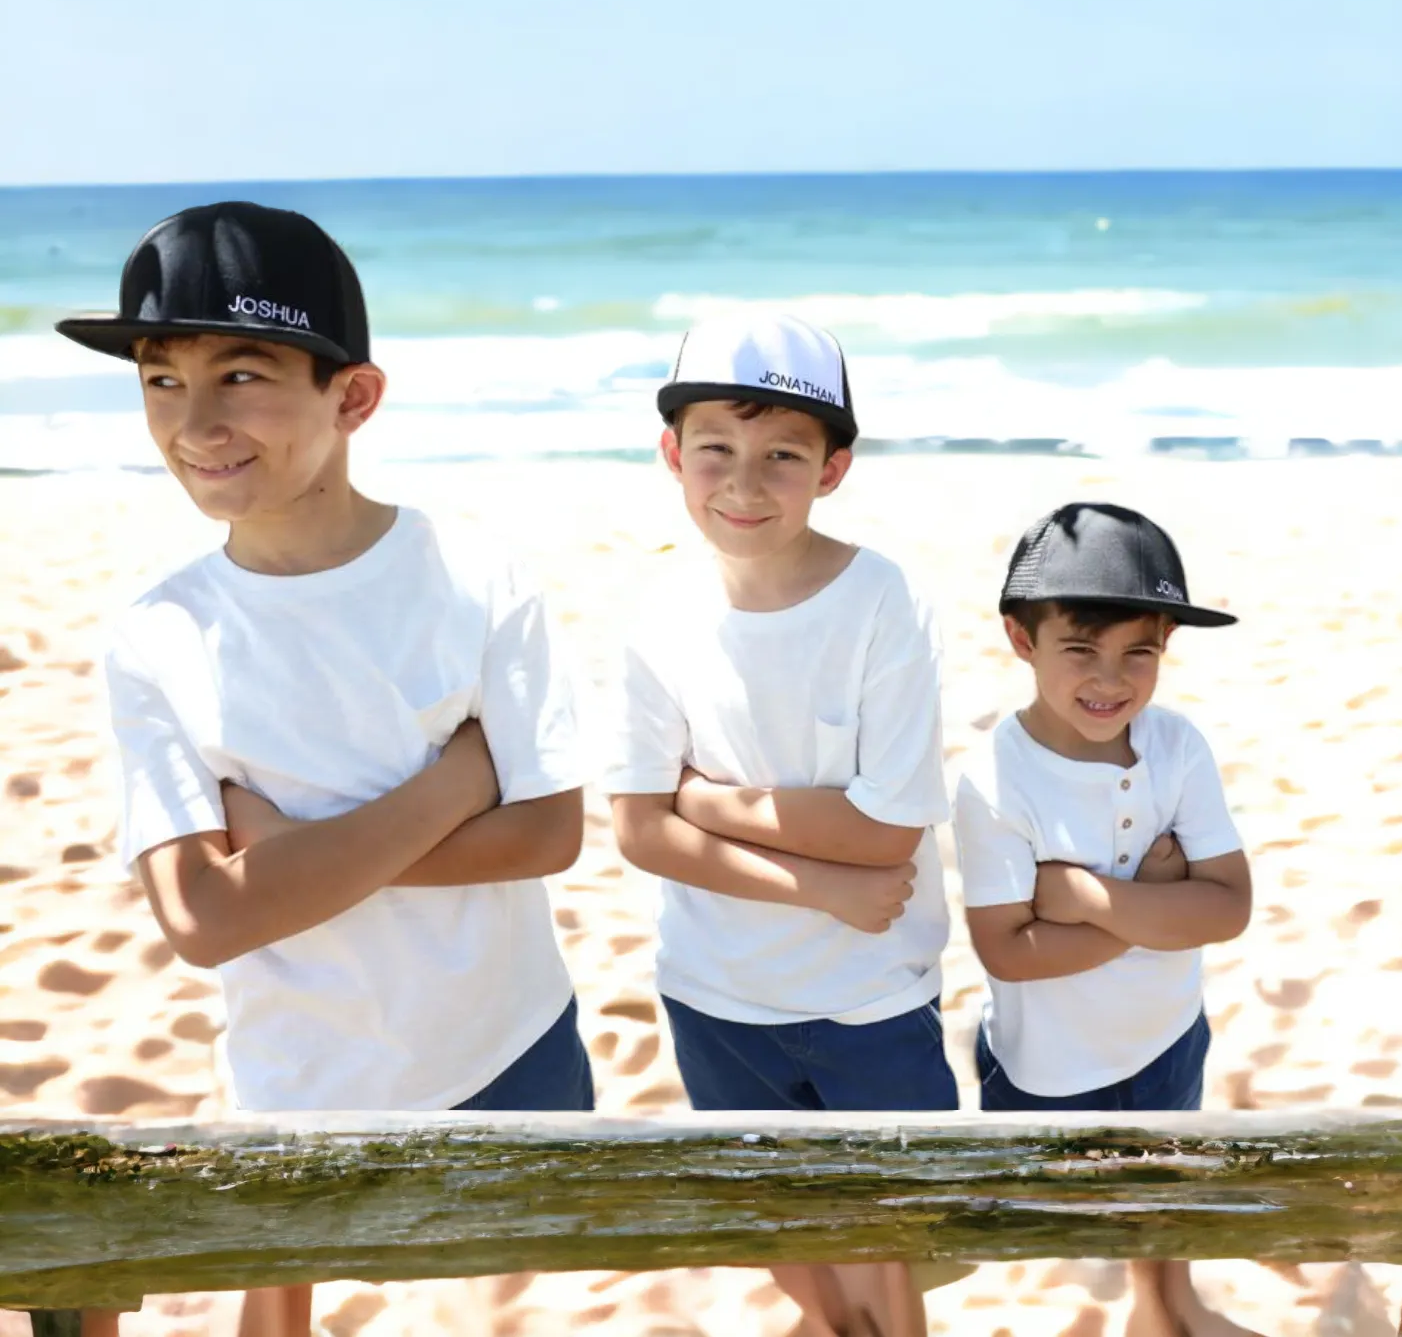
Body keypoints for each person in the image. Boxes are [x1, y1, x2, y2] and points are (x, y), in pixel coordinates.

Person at [57, 202, 592, 1337]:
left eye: (241, 373)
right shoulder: (159, 635)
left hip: (505, 1045)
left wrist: (287, 855)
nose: (193, 421)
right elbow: (202, 918)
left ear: (353, 397)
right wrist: (453, 787)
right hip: (301, 1071)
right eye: (160, 379)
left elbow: (549, 836)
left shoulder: (478, 580)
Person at [604, 315, 955, 1337]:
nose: (744, 485)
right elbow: (635, 831)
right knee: (783, 1228)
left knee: (894, 1241)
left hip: (870, 995)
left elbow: (889, 836)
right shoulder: (657, 618)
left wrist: (703, 802)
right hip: (714, 992)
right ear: (673, 454)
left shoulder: (882, 601)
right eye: (715, 450)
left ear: (834, 469)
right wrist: (822, 885)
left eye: (783, 457)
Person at [953, 501, 1253, 1337]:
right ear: (1023, 639)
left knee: (1166, 1188)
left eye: (1139, 654)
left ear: (1166, 647)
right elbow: (1010, 952)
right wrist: (1160, 904)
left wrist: (1090, 900)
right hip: (1050, 1062)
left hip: (1166, 1034)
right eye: (1080, 649)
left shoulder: (1177, 747)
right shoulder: (995, 777)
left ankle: (1169, 1309)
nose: (1110, 680)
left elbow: (1229, 908)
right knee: (1071, 1219)